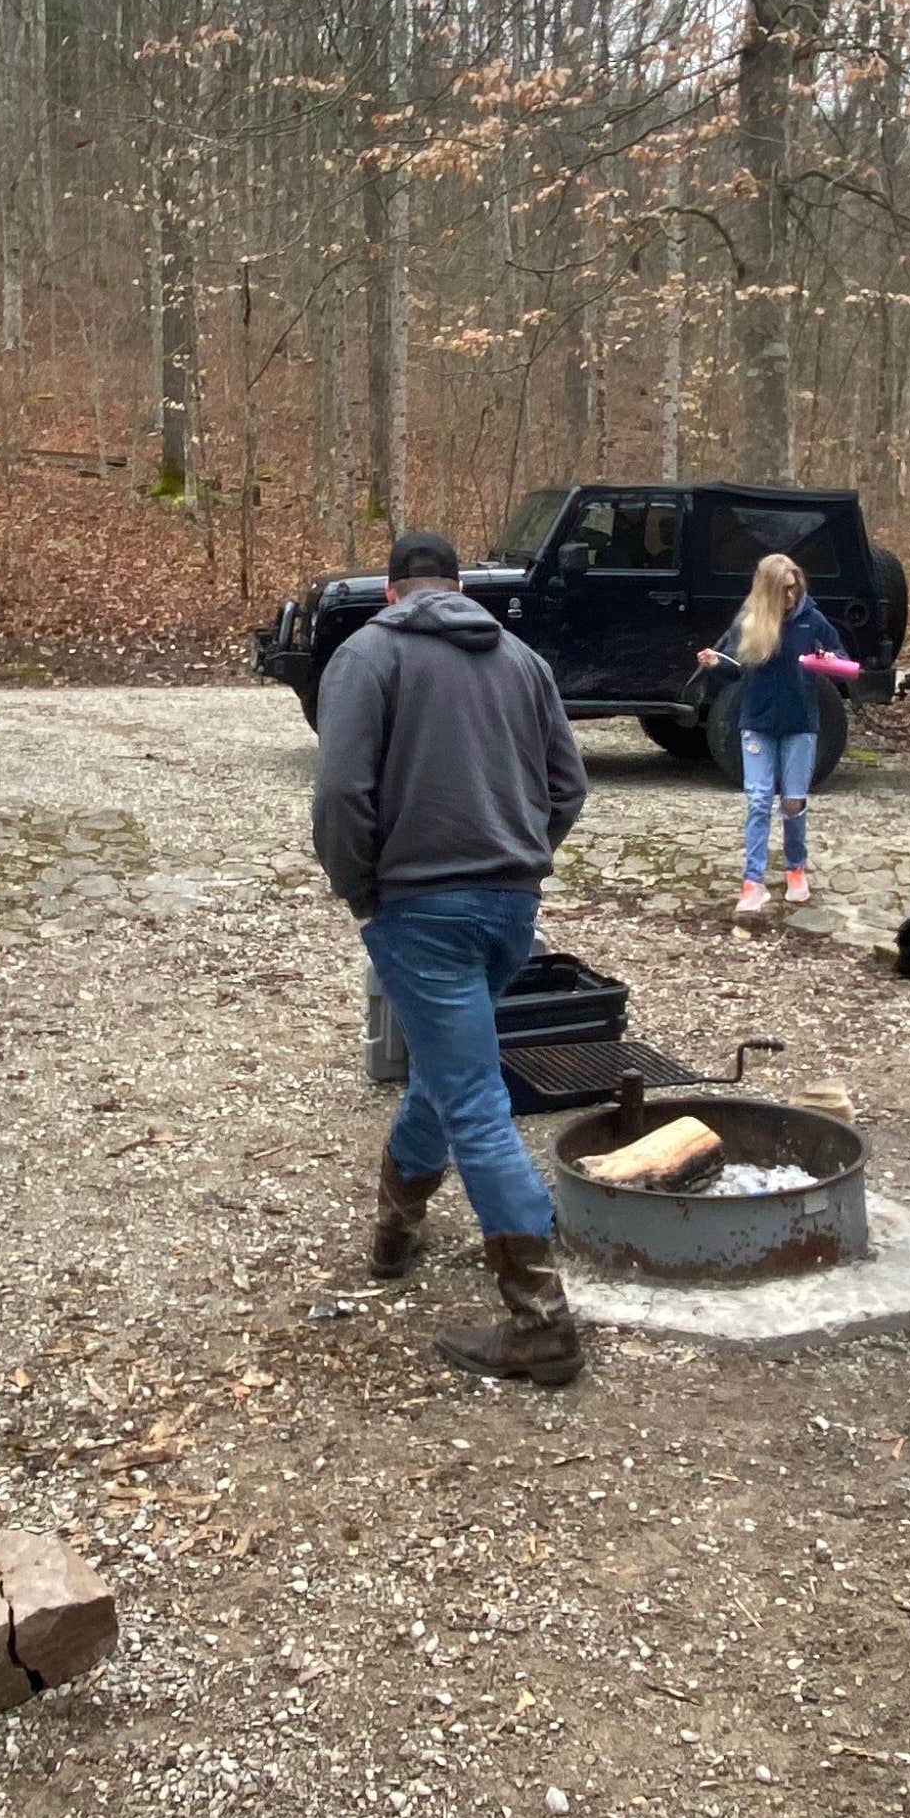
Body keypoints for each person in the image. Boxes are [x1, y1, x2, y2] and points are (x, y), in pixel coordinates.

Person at [310, 529, 595, 1385]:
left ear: (391, 592)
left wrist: (361, 890)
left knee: (472, 1097)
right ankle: (395, 1231)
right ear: (461, 588)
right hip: (509, 910)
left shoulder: (368, 656)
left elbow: (341, 793)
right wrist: (522, 857)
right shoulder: (522, 660)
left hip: (421, 911)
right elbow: (570, 787)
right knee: (446, 1067)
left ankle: (542, 1322)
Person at [698, 553, 861, 913]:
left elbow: (842, 658)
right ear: (768, 590)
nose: (791, 595)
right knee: (758, 801)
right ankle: (752, 882)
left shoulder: (813, 619)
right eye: (784, 589)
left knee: (793, 802)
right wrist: (715, 663)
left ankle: (795, 868)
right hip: (757, 723)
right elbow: (735, 668)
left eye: (794, 587)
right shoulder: (748, 621)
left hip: (800, 724)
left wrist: (830, 660)